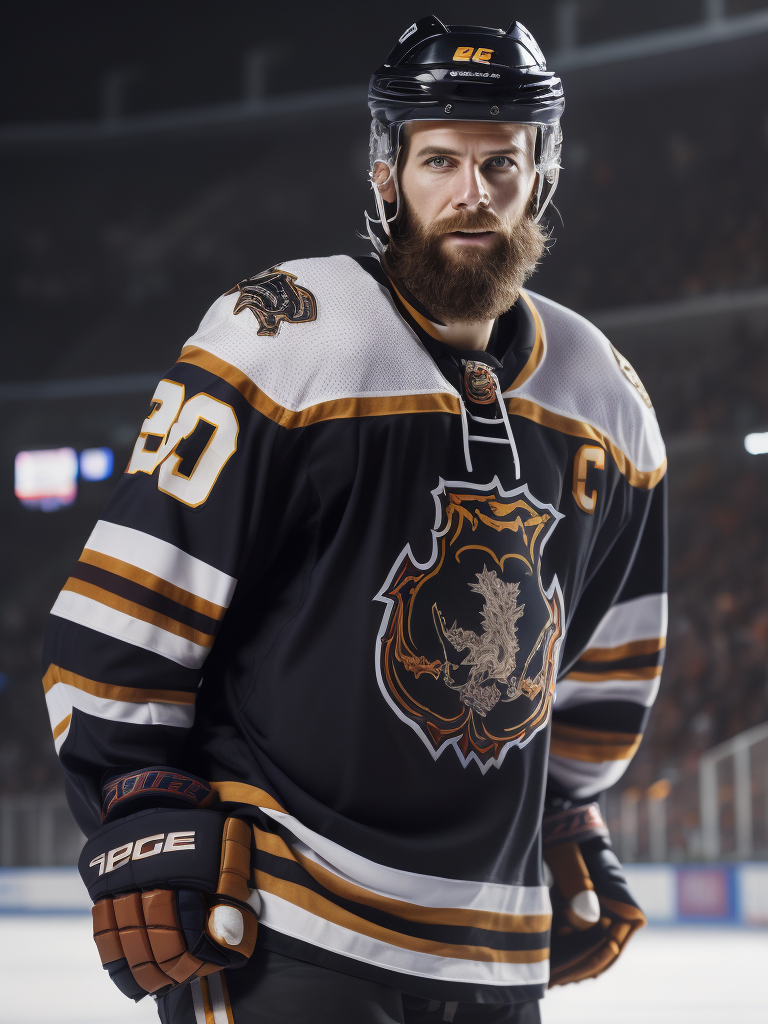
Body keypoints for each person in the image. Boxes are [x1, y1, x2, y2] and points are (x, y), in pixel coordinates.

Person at [42, 16, 667, 1024]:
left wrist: (565, 806)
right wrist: (136, 795)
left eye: (500, 163)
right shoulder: (289, 334)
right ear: (387, 173)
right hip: (286, 916)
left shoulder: (608, 399)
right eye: (440, 160)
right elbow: (129, 604)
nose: (472, 192)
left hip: (494, 941)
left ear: (541, 176)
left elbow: (609, 657)